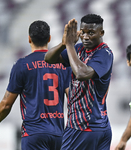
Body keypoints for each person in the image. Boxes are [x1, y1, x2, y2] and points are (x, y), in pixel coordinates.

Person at [0, 20, 71, 150]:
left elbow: (6, 104)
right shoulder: (63, 64)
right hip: (59, 134)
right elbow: (71, 97)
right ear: (49, 38)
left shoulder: (22, 65)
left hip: (34, 134)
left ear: (29, 39)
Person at [44, 14, 113, 150]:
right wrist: (64, 43)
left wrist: (69, 45)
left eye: (91, 33)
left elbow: (82, 73)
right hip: (99, 126)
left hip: (82, 125)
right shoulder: (79, 49)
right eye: (83, 32)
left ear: (102, 33)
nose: (86, 37)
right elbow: (49, 58)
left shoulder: (104, 53)